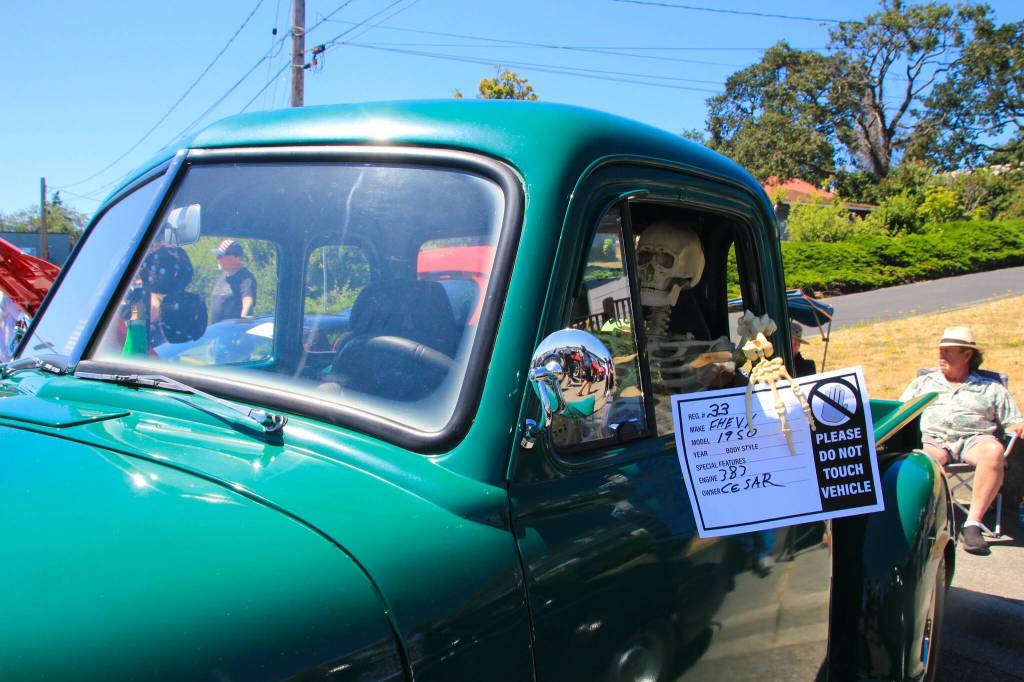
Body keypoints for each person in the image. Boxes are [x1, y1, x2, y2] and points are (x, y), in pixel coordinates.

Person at [899, 326, 1024, 554]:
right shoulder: (923, 384)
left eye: (948, 351)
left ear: (967, 355)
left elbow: (1014, 421)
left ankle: (972, 524)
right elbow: (900, 414)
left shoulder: (991, 388)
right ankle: (932, 518)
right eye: (940, 350)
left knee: (993, 452)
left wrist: (1018, 426)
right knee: (921, 458)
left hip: (974, 439)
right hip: (934, 439)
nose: (941, 356)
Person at [209, 239, 257, 323]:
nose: (217, 258)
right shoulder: (224, 275)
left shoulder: (245, 278)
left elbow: (248, 302)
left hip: (233, 333)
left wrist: (242, 324)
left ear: (237, 258)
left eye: (221, 256)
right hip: (218, 332)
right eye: (217, 255)